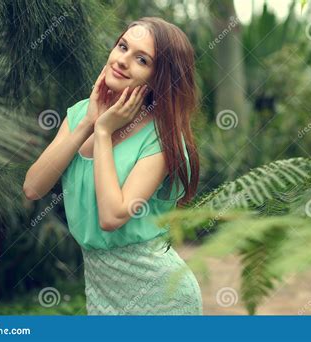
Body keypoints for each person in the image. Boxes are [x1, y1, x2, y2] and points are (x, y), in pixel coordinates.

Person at [23, 17, 203, 315]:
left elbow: (112, 216)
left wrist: (104, 132)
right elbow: (33, 187)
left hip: (160, 296)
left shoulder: (163, 138)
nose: (122, 61)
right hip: (101, 290)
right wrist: (88, 125)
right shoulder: (82, 113)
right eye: (122, 47)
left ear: (158, 78)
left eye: (141, 59)